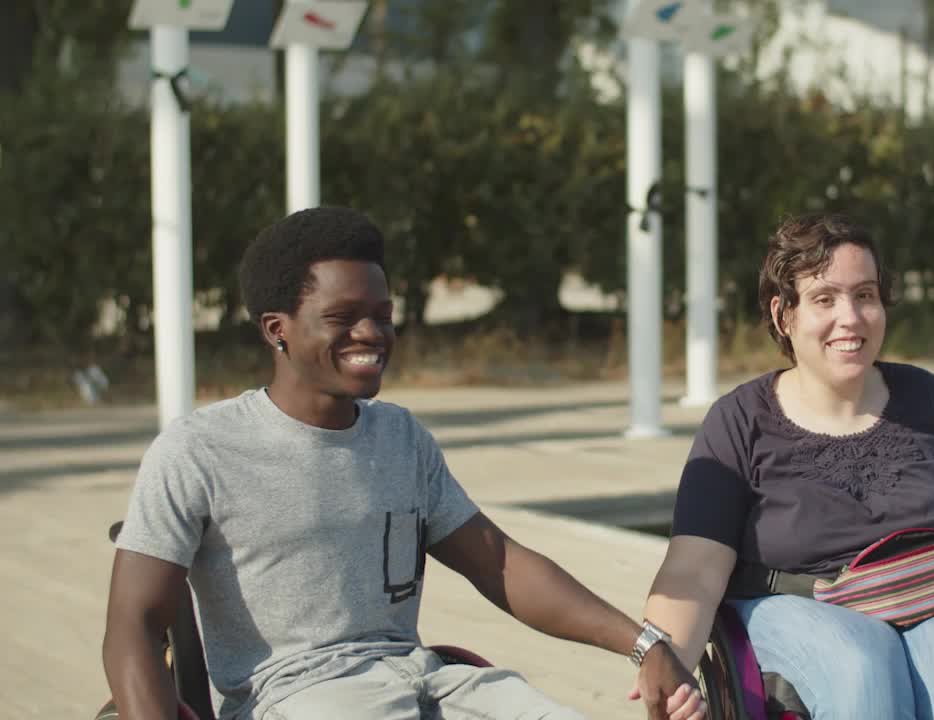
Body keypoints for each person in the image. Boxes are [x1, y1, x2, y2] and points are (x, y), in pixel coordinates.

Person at [102, 207, 705, 720]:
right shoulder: (198, 451)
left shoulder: (401, 438)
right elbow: (133, 626)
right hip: (299, 696)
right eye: (342, 319)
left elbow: (500, 564)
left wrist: (643, 643)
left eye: (382, 315)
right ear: (276, 330)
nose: (372, 333)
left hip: (428, 682)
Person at [639, 213, 934, 720]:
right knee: (863, 668)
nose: (850, 317)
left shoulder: (927, 398)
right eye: (825, 299)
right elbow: (694, 570)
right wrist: (665, 659)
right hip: (804, 610)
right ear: (784, 314)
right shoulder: (739, 422)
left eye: (865, 295)